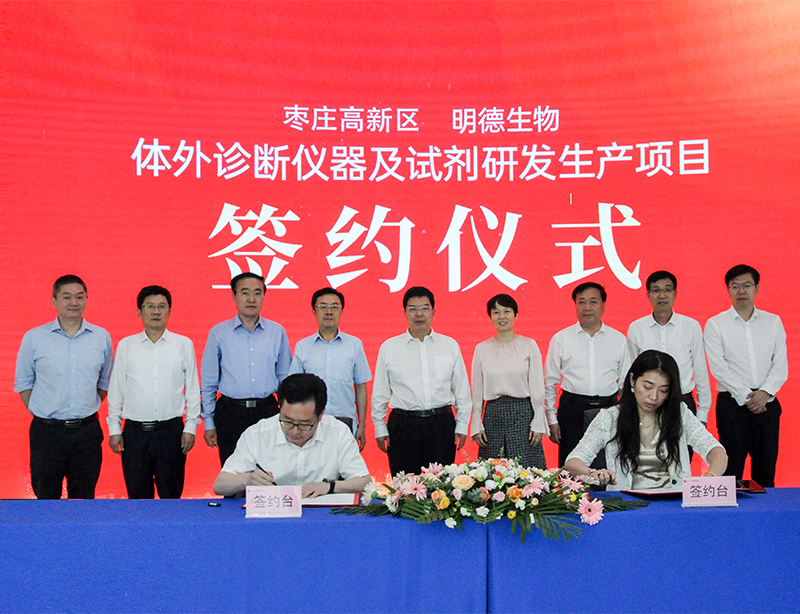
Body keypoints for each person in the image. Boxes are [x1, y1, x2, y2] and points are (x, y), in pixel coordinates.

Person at [565, 350, 728, 490]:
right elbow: (573, 462)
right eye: (647, 387)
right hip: (628, 505)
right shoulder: (609, 418)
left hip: (674, 503)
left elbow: (717, 452)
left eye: (663, 390)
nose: (654, 396)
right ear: (632, 380)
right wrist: (592, 473)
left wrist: (710, 478)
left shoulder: (680, 413)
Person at [14, 275, 113, 499]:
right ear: (54, 301)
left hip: (86, 432)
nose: (73, 302)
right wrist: (43, 411)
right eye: (66, 297)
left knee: (83, 498)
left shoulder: (100, 336)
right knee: (46, 499)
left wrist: (86, 406)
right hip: (47, 433)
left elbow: (104, 381)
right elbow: (24, 383)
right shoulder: (34, 337)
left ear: (86, 299)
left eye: (79, 297)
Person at [106, 286, 201, 499]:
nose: (156, 312)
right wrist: (114, 428)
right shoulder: (126, 345)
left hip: (171, 432)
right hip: (135, 434)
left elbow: (193, 389)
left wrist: (191, 427)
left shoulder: (183, 344)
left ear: (169, 312)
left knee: (171, 496)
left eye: (161, 307)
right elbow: (116, 390)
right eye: (150, 306)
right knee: (138, 498)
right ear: (139, 312)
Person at [213, 373, 369, 498]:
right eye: (287, 422)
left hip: (320, 516)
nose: (295, 431)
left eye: (304, 424)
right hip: (271, 516)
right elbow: (220, 485)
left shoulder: (337, 432)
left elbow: (364, 482)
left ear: (321, 414)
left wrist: (330, 486)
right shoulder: (258, 434)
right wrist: (247, 479)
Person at [371, 286, 471, 475]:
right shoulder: (390, 347)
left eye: (425, 308)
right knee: (405, 486)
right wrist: (379, 427)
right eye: (412, 309)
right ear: (405, 313)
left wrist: (462, 424)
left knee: (441, 488)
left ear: (433, 312)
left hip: (441, 424)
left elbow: (462, 391)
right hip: (403, 425)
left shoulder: (449, 345)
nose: (419, 314)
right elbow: (379, 393)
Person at [704, 264, 787, 487]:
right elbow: (718, 367)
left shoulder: (773, 322)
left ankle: (767, 509)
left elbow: (780, 364)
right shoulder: (715, 324)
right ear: (728, 290)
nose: (741, 291)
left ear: (757, 288)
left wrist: (764, 393)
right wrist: (746, 396)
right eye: (735, 286)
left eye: (747, 285)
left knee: (766, 469)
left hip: (767, 404)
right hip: (732, 405)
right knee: (731, 470)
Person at [201, 272, 291, 466]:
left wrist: (287, 415)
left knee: (270, 472)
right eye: (245, 293)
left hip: (267, 411)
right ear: (234, 296)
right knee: (234, 473)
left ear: (264, 296)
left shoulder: (277, 332)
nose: (252, 299)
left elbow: (285, 378)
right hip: (230, 413)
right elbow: (209, 382)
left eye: (257, 293)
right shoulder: (219, 333)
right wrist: (209, 421)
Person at [545, 282, 630, 468]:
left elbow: (625, 384)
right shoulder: (561, 339)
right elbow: (549, 383)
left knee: (608, 467)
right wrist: (551, 419)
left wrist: (625, 416)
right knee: (570, 471)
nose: (587, 307)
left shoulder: (619, 340)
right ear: (575, 306)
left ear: (603, 306)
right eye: (581, 302)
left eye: (593, 301)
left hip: (608, 409)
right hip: (572, 410)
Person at [289, 287, 371, 450]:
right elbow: (294, 388)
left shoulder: (354, 345)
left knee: (344, 465)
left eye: (334, 307)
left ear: (341, 311)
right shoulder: (303, 346)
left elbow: (361, 387)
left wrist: (362, 425)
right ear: (314, 312)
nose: (329, 311)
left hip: (345, 419)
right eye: (323, 307)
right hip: (310, 420)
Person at [470, 294, 548, 468]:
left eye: (506, 311)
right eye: (496, 312)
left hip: (522, 414)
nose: (502, 317)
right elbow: (477, 389)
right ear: (490, 317)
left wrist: (538, 421)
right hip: (493, 414)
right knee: (493, 471)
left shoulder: (528, 345)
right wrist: (476, 422)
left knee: (526, 471)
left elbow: (537, 387)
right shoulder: (482, 348)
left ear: (515, 315)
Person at [627, 271, 711, 429]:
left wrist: (703, 413)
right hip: (648, 404)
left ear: (675, 294)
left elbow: (701, 372)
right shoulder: (636, 328)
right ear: (648, 295)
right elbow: (632, 372)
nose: (662, 295)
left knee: (683, 445)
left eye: (667, 290)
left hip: (682, 401)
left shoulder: (691, 326)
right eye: (656, 290)